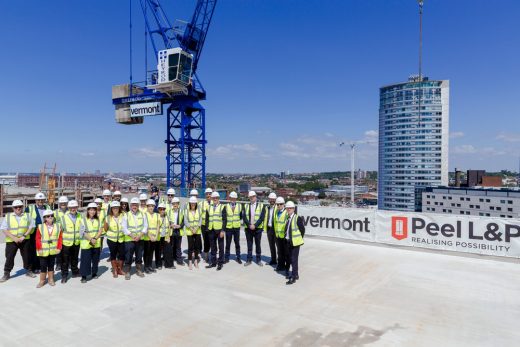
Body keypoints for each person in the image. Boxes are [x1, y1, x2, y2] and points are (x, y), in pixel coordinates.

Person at [0, 200, 36, 282]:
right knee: (9, 257)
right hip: (12, 241)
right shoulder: (8, 216)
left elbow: (31, 226)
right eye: (16, 207)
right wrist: (14, 238)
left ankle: (29, 271)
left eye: (20, 206)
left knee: (27, 256)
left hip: (24, 240)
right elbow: (4, 229)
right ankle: (6, 273)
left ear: (22, 207)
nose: (18, 208)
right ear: (13, 208)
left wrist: (24, 236)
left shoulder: (27, 215)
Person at [35, 210, 62, 288]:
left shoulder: (57, 226)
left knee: (51, 265)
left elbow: (60, 238)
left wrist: (59, 247)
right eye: (48, 216)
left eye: (51, 216)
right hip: (43, 251)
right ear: (44, 218)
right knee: (43, 266)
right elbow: (37, 238)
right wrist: (39, 248)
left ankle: (51, 279)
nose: (50, 217)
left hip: (53, 250)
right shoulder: (40, 227)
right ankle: (42, 281)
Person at [122, 197, 148, 279]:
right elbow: (124, 228)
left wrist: (140, 236)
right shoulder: (126, 215)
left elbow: (145, 226)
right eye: (133, 205)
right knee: (128, 256)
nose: (134, 206)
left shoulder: (142, 214)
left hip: (140, 239)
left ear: (138, 205)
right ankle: (127, 272)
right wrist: (132, 236)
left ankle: (139, 270)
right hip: (130, 239)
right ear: (130, 205)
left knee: (139, 256)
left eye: (136, 205)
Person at [26, 192, 50, 274]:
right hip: (34, 233)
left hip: (45, 232)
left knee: (42, 249)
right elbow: (25, 220)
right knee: (33, 251)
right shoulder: (30, 208)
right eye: (38, 200)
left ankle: (41, 266)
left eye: (42, 199)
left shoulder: (48, 207)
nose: (40, 201)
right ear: (35, 200)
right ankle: (33, 267)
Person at [60, 200, 83, 283]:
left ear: (77, 208)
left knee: (75, 259)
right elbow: (60, 231)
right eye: (71, 207)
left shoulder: (81, 216)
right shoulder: (63, 218)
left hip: (76, 242)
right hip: (66, 243)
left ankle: (75, 272)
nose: (73, 209)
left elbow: (83, 228)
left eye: (75, 207)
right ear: (69, 208)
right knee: (65, 261)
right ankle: (64, 275)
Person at [79, 203, 103, 283]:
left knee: (95, 260)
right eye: (91, 210)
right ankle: (84, 276)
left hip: (96, 243)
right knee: (85, 261)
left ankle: (94, 273)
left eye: (94, 210)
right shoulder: (83, 220)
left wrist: (95, 238)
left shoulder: (98, 220)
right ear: (88, 210)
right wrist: (91, 239)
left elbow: (100, 230)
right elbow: (83, 232)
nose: (92, 212)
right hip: (86, 243)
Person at [283, 201, 305, 285]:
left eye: (290, 208)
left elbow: (302, 230)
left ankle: (293, 277)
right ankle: (296, 274)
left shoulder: (297, 218)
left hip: (295, 243)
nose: (288, 209)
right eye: (287, 208)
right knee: (290, 259)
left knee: (294, 259)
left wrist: (298, 239)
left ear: (293, 209)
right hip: (288, 241)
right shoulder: (287, 218)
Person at [243, 191, 265, 266]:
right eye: (250, 197)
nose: (252, 198)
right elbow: (244, 217)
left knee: (258, 244)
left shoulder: (261, 206)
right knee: (249, 245)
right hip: (248, 229)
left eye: (253, 196)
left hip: (258, 229)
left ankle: (258, 260)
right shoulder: (246, 206)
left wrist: (255, 225)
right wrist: (249, 225)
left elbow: (262, 217)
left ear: (255, 197)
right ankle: (249, 259)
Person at [104, 201, 125, 278]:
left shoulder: (123, 216)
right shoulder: (108, 218)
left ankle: (120, 269)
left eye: (117, 208)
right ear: (111, 209)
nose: (115, 209)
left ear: (119, 208)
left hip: (121, 239)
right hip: (111, 240)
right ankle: (115, 270)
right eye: (114, 208)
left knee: (122, 254)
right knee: (113, 255)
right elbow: (105, 229)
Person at [206, 192, 227, 271]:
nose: (215, 199)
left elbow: (225, 220)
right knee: (213, 247)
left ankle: (220, 263)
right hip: (211, 230)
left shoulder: (222, 207)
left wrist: (222, 230)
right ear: (211, 199)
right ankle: (213, 262)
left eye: (216, 198)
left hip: (219, 230)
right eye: (213, 198)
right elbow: (207, 219)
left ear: (218, 198)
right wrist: (208, 228)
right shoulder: (209, 207)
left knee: (221, 247)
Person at [184, 197, 202, 270]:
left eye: (194, 203)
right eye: (192, 203)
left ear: (196, 203)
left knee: (197, 247)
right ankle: (190, 262)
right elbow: (185, 221)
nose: (193, 204)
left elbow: (200, 220)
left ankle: (196, 261)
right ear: (190, 203)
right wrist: (191, 228)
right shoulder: (186, 211)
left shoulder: (199, 210)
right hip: (190, 231)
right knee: (190, 247)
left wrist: (196, 228)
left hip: (197, 231)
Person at [224, 191, 242, 264]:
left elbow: (240, 216)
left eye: (234, 198)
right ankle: (226, 258)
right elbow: (224, 217)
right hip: (228, 228)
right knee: (228, 243)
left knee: (237, 243)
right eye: (232, 198)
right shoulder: (226, 206)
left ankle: (238, 257)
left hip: (236, 227)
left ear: (236, 199)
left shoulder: (240, 206)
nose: (233, 199)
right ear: (230, 198)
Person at [143, 199, 160, 274]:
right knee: (146, 253)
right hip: (147, 237)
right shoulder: (144, 215)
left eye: (152, 206)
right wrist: (150, 236)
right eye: (149, 206)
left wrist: (156, 236)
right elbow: (144, 227)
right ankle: (146, 267)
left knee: (151, 252)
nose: (151, 207)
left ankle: (150, 266)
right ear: (147, 206)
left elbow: (158, 226)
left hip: (155, 237)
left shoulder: (157, 215)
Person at [273, 197, 289, 273]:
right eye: (277, 204)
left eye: (280, 204)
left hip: (284, 236)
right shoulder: (276, 212)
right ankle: (280, 265)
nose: (279, 206)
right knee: (279, 252)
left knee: (286, 252)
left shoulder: (286, 213)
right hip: (278, 235)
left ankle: (286, 267)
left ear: (284, 204)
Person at [168, 197, 185, 267]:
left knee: (178, 246)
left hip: (178, 231)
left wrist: (180, 226)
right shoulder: (169, 211)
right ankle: (171, 259)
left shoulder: (181, 211)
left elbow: (184, 221)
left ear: (178, 204)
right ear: (172, 204)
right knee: (171, 246)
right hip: (172, 230)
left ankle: (179, 260)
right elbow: (167, 220)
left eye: (176, 203)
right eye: (174, 203)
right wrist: (170, 225)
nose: (175, 205)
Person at [53, 196, 68, 271]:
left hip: (68, 234)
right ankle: (58, 264)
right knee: (58, 250)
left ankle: (67, 263)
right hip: (58, 234)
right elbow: (52, 222)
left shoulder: (70, 211)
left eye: (64, 203)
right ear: (59, 204)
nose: (63, 204)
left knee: (67, 250)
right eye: (61, 203)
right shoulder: (55, 212)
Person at [157, 203, 174, 269]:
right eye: (161, 209)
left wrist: (169, 236)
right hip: (159, 236)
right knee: (158, 251)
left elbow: (169, 226)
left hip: (166, 236)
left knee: (168, 250)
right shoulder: (157, 216)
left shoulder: (167, 216)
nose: (162, 210)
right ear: (158, 210)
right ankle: (159, 265)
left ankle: (169, 264)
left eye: (163, 209)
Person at [264, 192, 278, 266]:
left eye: (273, 199)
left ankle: (280, 261)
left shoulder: (278, 207)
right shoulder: (267, 208)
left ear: (275, 199)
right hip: (269, 229)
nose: (272, 200)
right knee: (271, 245)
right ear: (268, 199)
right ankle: (273, 260)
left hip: (276, 229)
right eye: (270, 199)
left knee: (278, 246)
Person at [199, 188, 213, 262]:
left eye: (209, 193)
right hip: (204, 225)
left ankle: (212, 255)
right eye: (207, 194)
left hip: (213, 225)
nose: (208, 195)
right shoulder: (201, 204)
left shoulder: (215, 203)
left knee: (212, 240)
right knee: (205, 240)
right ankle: (206, 255)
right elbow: (199, 215)